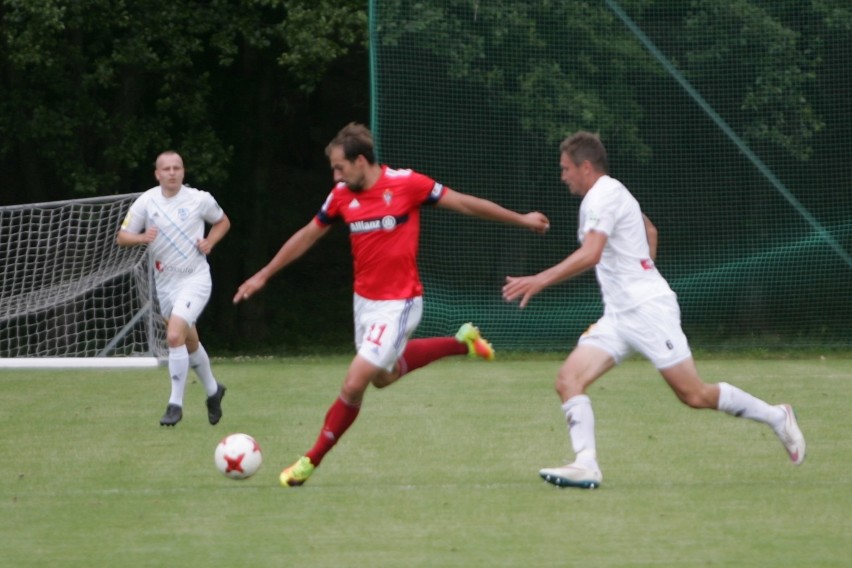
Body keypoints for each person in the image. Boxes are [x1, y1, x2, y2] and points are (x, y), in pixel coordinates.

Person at [233, 122, 550, 486]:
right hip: (364, 303)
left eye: (340, 167)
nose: (335, 175)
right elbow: (308, 235)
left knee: (354, 384)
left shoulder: (406, 184)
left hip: (399, 304)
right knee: (383, 377)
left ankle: (309, 460)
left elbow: (464, 204)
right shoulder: (340, 196)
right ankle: (461, 342)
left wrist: (522, 219)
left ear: (361, 161)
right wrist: (264, 274)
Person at [502, 131, 806, 489]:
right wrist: (642, 272)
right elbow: (649, 230)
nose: (562, 175)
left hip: (647, 312)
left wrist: (540, 279)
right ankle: (586, 465)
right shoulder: (614, 193)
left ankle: (776, 416)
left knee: (693, 395)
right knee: (568, 380)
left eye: (566, 168)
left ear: (585, 166)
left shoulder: (601, 196)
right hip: (620, 315)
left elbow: (592, 254)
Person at [117, 151, 230, 427]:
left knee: (174, 335)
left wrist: (210, 242)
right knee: (189, 341)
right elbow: (122, 236)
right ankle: (214, 391)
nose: (171, 172)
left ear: (183, 171)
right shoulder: (147, 201)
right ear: (157, 174)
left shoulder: (198, 199)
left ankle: (174, 404)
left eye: (176, 168)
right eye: (166, 168)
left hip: (195, 279)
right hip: (165, 284)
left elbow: (223, 221)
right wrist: (142, 237)